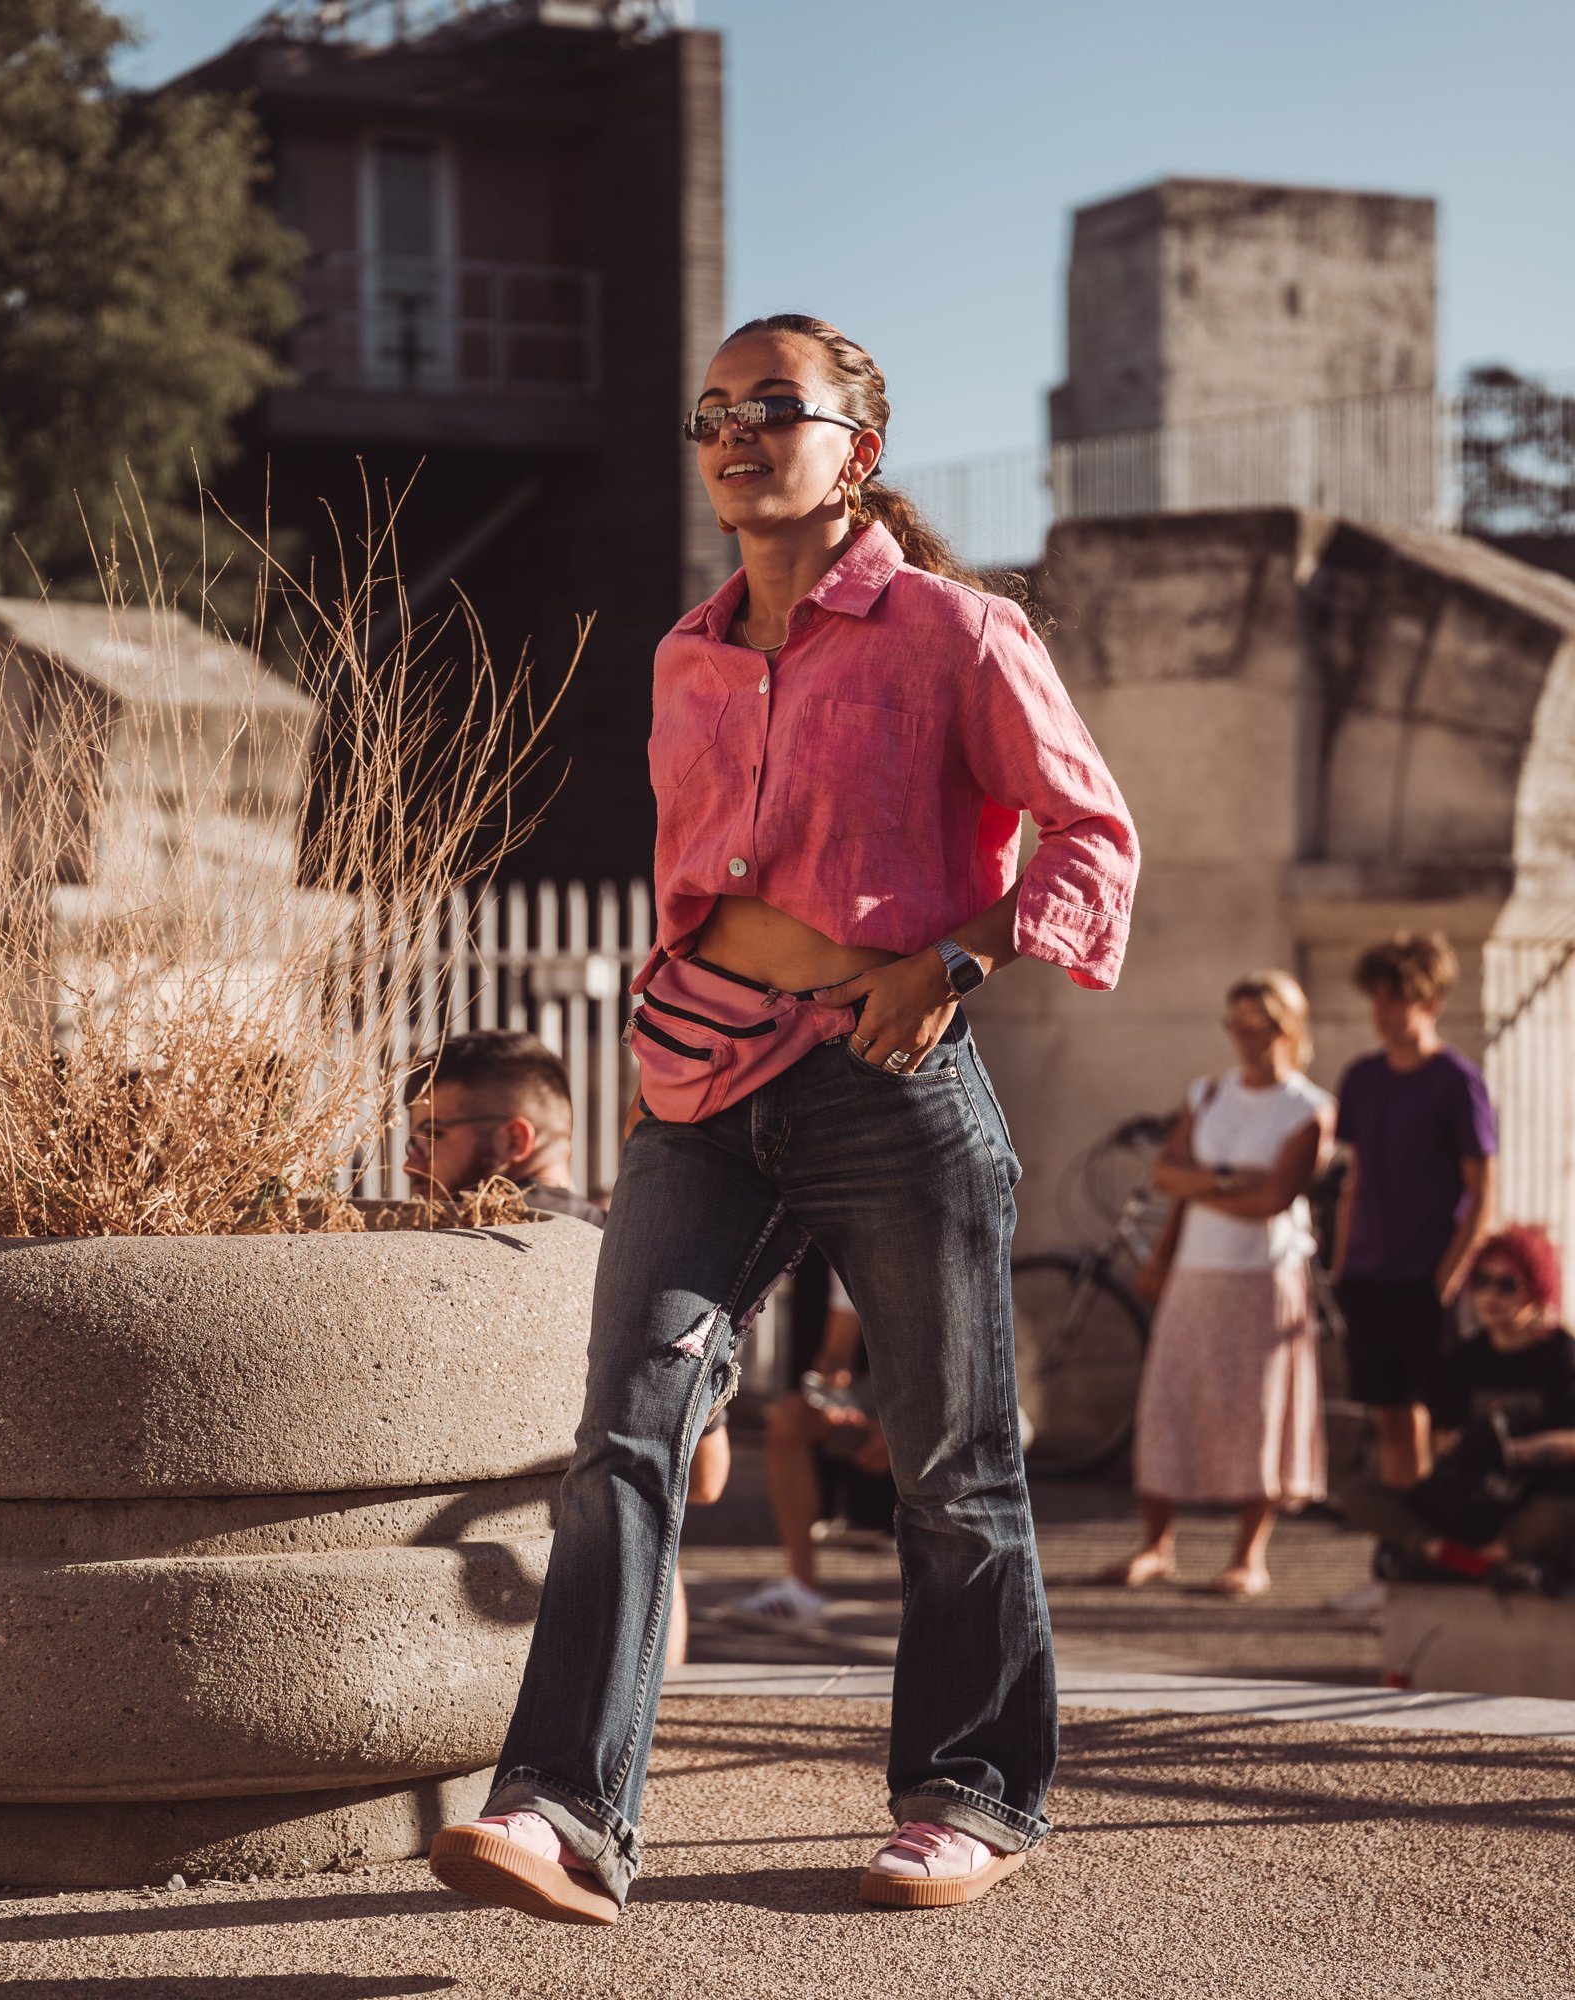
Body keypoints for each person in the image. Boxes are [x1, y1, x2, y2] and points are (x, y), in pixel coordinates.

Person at [425, 312, 1138, 1923]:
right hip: (699, 1088)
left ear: (858, 450)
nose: (737, 432)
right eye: (714, 411)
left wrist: (955, 961)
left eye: (776, 407)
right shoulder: (682, 653)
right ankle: (559, 1814)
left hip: (890, 1080)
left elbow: (1092, 836)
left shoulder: (957, 632)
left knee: (951, 1463)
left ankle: (968, 1794)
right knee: (625, 1439)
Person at [404, 1030, 731, 1658]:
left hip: (479, 1611)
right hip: (636, 1630)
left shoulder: (455, 1258)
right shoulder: (645, 1253)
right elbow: (709, 1477)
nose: (412, 1160)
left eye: (432, 1135)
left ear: (515, 1139)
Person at [1105, 972, 1335, 1598]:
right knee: (1168, 1400)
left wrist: (1206, 1181)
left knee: (1257, 1409)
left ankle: (1248, 1555)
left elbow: (1275, 1197)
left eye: (1255, 1024)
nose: (1242, 1036)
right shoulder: (1207, 1093)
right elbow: (1165, 1173)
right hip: (1195, 1271)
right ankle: (1156, 1545)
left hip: (1264, 1277)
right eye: (1234, 1023)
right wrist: (1229, 1182)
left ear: (1286, 1028)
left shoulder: (1308, 1107)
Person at [1332, 934, 1497, 1489]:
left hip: (1427, 1276)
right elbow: (1354, 1179)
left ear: (1429, 1002)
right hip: (1368, 1275)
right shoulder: (1361, 1078)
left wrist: (1448, 1276)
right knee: (1390, 1415)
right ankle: (1406, 1531)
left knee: (1446, 1417)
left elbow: (1483, 1189)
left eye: (1395, 999)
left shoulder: (1457, 1082)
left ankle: (1446, 1528)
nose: (1382, 1013)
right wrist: (1342, 1265)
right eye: (1377, 999)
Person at [1345, 1226, 1575, 1588]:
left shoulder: (1563, 1355)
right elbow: (1444, 1438)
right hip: (1471, 1500)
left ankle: (1474, 1561)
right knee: (1360, 1497)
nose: (1490, 1296)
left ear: (1536, 1289)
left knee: (1561, 1517)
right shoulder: (1465, 1358)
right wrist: (1462, 1454)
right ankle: (1453, 1556)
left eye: (1507, 1285)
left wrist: (1512, 1453)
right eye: (1481, 1282)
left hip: (1529, 1501)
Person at [721, 1268, 895, 1630]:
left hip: (960, 1400)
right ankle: (802, 1592)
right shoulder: (846, 1248)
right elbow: (836, 1358)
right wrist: (828, 1394)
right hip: (894, 1396)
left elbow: (967, 1355)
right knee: (790, 1420)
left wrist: (904, 1422)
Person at [403, 1028, 607, 1227]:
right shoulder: (622, 1240)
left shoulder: (476, 1232)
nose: (410, 1165)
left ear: (513, 1140)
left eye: (433, 1134)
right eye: (414, 1143)